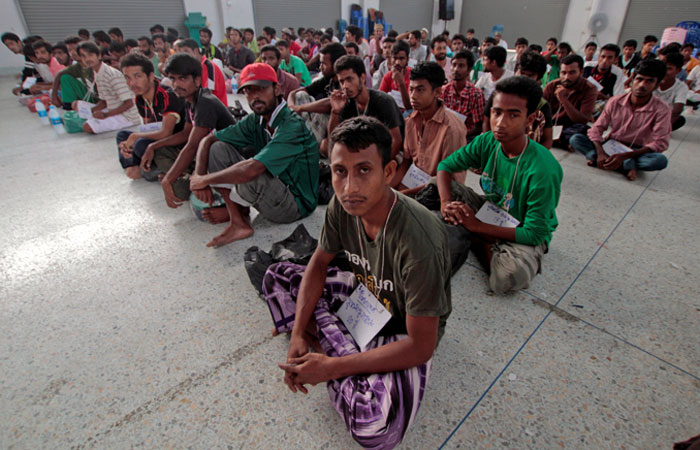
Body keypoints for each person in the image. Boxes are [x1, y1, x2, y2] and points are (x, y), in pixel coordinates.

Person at [265, 115, 451, 450]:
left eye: (364, 170)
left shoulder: (419, 240)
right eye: (340, 171)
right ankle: (333, 347)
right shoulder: (343, 203)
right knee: (277, 275)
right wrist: (296, 335)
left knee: (375, 430)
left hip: (402, 327)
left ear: (389, 172)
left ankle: (331, 350)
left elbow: (422, 346)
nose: (349, 187)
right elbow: (318, 264)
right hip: (366, 297)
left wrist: (332, 368)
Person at [437, 76, 562, 294]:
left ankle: (474, 237)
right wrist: (446, 203)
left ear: (530, 118)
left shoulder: (543, 169)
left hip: (521, 228)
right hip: (491, 210)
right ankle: (475, 235)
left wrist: (476, 226)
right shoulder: (487, 141)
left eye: (513, 115)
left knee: (507, 278)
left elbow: (534, 233)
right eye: (497, 112)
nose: (501, 122)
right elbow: (445, 167)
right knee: (434, 188)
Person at [188, 63, 319, 247]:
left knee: (250, 172)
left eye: (261, 89)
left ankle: (237, 210)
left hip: (296, 204)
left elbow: (251, 170)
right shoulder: (256, 119)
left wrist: (205, 181)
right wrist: (198, 175)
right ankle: (238, 220)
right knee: (217, 150)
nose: (255, 96)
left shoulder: (292, 125)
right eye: (249, 91)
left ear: (277, 89)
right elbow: (208, 140)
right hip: (274, 186)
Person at [154, 53, 236, 208]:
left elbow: (192, 146)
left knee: (178, 191)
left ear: (197, 80)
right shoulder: (190, 100)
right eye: (173, 79)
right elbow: (185, 134)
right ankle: (187, 176)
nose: (176, 84)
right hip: (202, 155)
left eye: (182, 79)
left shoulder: (206, 102)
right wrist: (153, 146)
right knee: (160, 150)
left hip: (222, 162)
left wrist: (168, 180)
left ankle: (196, 182)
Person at [569, 59, 670, 181]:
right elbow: (597, 129)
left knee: (659, 161)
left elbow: (660, 142)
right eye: (639, 79)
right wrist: (601, 152)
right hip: (611, 145)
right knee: (576, 139)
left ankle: (610, 161)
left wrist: (625, 156)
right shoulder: (615, 101)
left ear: (657, 85)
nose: (642, 85)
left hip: (637, 151)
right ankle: (624, 165)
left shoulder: (662, 109)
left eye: (649, 81)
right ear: (632, 80)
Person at [393, 62, 467, 191]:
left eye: (420, 90)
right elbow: (406, 163)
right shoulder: (411, 121)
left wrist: (401, 195)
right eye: (411, 89)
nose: (413, 96)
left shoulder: (451, 129)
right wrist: (386, 189)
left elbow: (448, 181)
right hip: (413, 183)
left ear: (437, 92)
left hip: (440, 193)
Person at [116, 53, 188, 180]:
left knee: (140, 144)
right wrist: (128, 144)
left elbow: (166, 133)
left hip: (174, 142)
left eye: (137, 76)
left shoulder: (168, 96)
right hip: (157, 138)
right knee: (122, 136)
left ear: (150, 76)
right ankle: (134, 166)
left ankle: (146, 170)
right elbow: (148, 127)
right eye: (127, 78)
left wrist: (135, 137)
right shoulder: (140, 98)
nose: (132, 83)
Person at [326, 55, 404, 158]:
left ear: (362, 78)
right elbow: (333, 140)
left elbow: (396, 141)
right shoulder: (346, 103)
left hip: (389, 154)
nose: (345, 86)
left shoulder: (383, 101)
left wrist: (377, 167)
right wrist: (335, 111)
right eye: (342, 81)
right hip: (363, 152)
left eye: (350, 79)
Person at [484, 51, 554, 149]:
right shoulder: (499, 95)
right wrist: (490, 147)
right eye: (522, 73)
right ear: (516, 71)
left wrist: (536, 157)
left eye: (530, 76)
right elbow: (486, 123)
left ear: (538, 78)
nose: (524, 78)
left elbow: (547, 139)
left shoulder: (541, 104)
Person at [73, 41, 140, 134]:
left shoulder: (111, 74)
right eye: (83, 56)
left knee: (87, 127)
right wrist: (92, 111)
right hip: (111, 108)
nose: (87, 59)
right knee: (76, 105)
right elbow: (105, 101)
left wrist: (105, 115)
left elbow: (129, 103)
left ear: (99, 56)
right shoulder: (97, 72)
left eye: (90, 55)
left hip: (127, 116)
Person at [287, 42, 346, 143]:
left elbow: (331, 103)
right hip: (319, 127)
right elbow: (293, 93)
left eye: (324, 64)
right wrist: (292, 106)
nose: (320, 67)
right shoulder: (328, 79)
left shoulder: (345, 81)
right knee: (300, 95)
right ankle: (300, 135)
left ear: (336, 64)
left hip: (340, 127)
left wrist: (300, 108)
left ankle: (306, 142)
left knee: (323, 115)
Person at [543, 54, 597, 147]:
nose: (566, 77)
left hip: (571, 127)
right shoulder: (552, 86)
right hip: (550, 125)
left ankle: (555, 140)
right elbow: (540, 111)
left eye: (572, 73)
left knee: (585, 131)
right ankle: (559, 142)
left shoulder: (589, 89)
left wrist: (563, 99)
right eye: (563, 73)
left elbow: (582, 120)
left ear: (581, 72)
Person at [441, 50, 485, 137]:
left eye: (461, 66)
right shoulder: (444, 91)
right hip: (445, 135)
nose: (456, 69)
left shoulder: (476, 94)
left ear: (469, 69)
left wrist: (459, 135)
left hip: (467, 137)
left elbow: (478, 128)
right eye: (454, 65)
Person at [174, 38, 228, 106]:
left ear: (196, 51)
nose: (185, 56)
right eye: (182, 54)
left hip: (214, 110)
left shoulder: (208, 66)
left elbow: (208, 95)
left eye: (187, 51)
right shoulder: (193, 68)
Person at [50, 43, 99, 109]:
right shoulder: (77, 66)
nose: (73, 52)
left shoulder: (96, 64)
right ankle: (69, 106)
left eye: (75, 49)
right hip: (90, 95)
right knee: (65, 77)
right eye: (70, 50)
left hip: (102, 99)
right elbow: (59, 74)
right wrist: (54, 96)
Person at [654, 52, 688, 131]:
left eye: (669, 69)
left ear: (678, 70)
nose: (665, 71)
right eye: (663, 68)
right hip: (645, 114)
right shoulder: (652, 80)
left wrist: (662, 127)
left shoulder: (681, 87)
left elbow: (677, 110)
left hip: (664, 117)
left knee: (680, 120)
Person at [379, 40, 411, 110]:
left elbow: (409, 106)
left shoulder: (412, 76)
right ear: (391, 58)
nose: (397, 62)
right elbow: (380, 100)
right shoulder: (387, 77)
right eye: (395, 58)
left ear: (407, 59)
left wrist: (401, 83)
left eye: (401, 58)